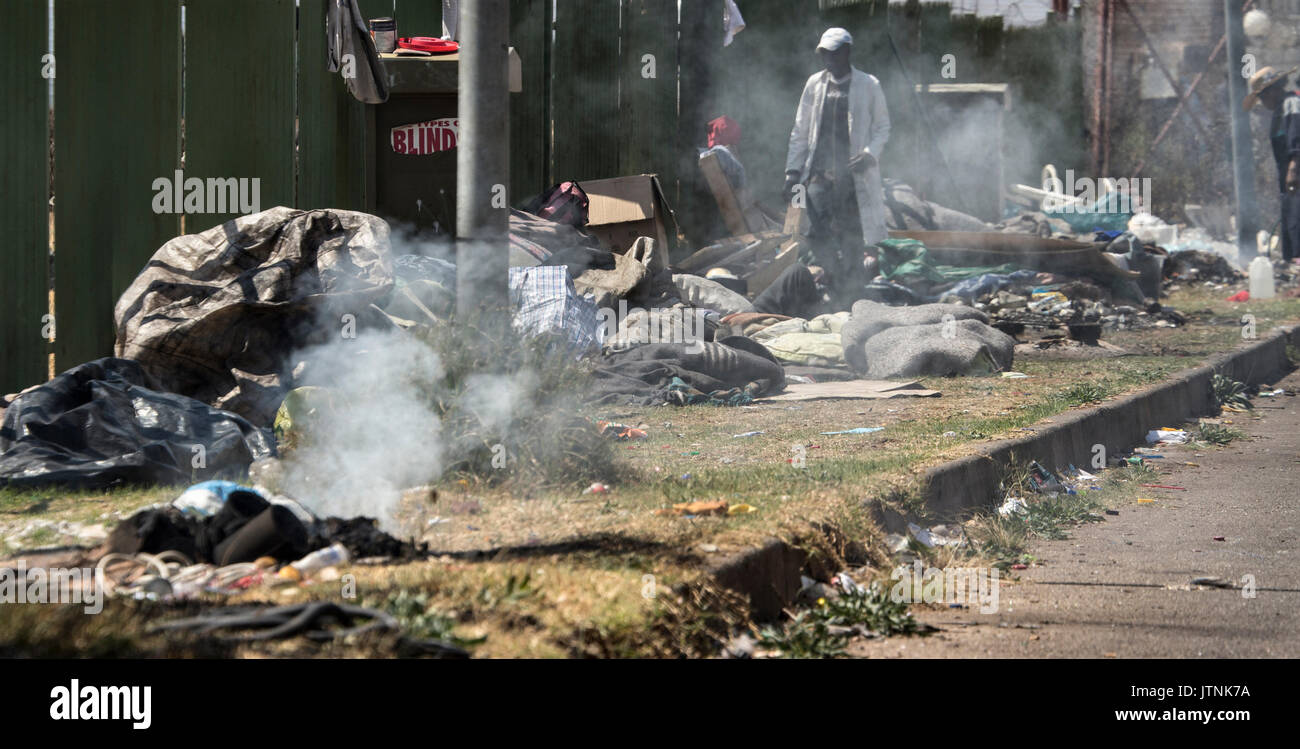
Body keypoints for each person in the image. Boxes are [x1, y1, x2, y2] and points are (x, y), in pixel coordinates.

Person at [783, 27, 891, 306]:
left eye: (833, 53)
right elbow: (800, 130)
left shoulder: (869, 84)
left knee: (852, 235)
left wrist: (870, 153)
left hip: (852, 176)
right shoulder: (814, 84)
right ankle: (834, 278)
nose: (828, 59)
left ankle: (851, 294)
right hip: (819, 174)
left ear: (846, 52)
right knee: (816, 232)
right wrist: (792, 172)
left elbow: (883, 127)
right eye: (824, 54)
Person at [1244, 65, 1300, 262]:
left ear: (1274, 90)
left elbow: (1297, 140)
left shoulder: (1292, 103)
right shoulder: (1279, 111)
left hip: (1296, 174)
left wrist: (1293, 170)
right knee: (1290, 221)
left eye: (1263, 96)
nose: (1262, 101)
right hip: (1287, 177)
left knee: (1297, 220)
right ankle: (1292, 266)